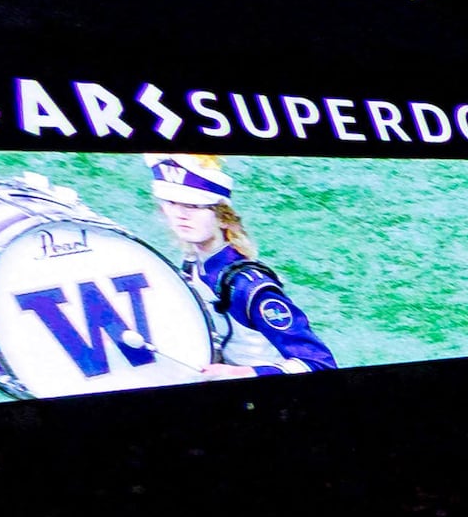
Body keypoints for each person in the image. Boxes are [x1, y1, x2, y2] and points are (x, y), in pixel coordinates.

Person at [145, 156, 338, 371]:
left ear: (222, 217)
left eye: (193, 205)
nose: (181, 215)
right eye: (172, 203)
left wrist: (245, 373)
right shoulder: (191, 266)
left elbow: (321, 364)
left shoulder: (247, 287)